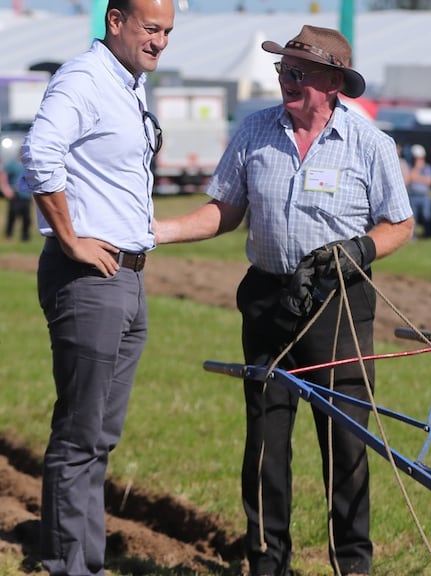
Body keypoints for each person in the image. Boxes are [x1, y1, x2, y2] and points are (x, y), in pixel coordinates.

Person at [153, 25, 413, 576]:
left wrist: (359, 249)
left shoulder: (371, 144)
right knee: (267, 442)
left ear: (333, 82)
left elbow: (401, 223)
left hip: (338, 304)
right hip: (268, 302)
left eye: (297, 73)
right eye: (282, 72)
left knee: (346, 443)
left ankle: (352, 565)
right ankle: (268, 564)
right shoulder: (254, 131)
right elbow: (226, 210)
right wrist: (160, 231)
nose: (286, 82)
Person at [19, 0, 175, 574]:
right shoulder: (84, 78)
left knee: (101, 435)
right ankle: (67, 563)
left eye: (168, 32)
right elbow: (39, 154)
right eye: (151, 28)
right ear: (116, 21)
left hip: (128, 275)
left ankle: (86, 560)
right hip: (89, 276)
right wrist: (71, 238)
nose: (160, 41)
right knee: (80, 431)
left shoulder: (128, 84)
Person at [405, 143, 431, 239]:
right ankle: (412, 237)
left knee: (427, 216)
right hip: (413, 195)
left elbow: (430, 180)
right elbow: (408, 179)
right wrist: (417, 169)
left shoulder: (427, 167)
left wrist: (417, 178)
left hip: (424, 195)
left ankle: (428, 235)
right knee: (413, 219)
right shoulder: (410, 167)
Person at [2, 154, 31, 242]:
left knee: (26, 217)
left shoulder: (28, 165)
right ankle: (8, 234)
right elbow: (3, 175)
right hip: (15, 194)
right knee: (13, 214)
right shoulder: (13, 164)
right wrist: (6, 188)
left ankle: (25, 237)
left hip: (26, 195)